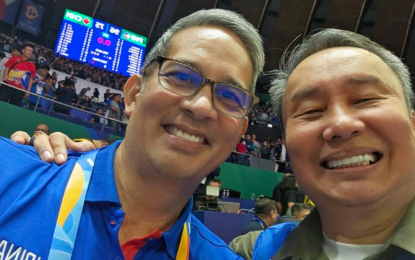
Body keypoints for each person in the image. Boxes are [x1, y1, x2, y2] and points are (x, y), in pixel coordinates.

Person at [4, 8, 265, 260]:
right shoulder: (8, 170)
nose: (200, 107)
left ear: (239, 134)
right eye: (182, 77)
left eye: (230, 96)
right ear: (133, 95)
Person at [252, 28, 415, 260]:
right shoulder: (255, 252)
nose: (341, 124)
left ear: (413, 124)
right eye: (312, 110)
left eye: (365, 99)